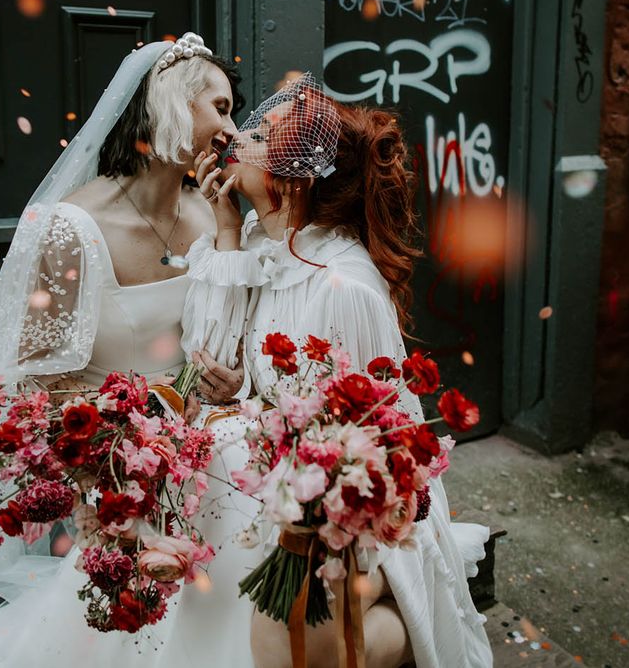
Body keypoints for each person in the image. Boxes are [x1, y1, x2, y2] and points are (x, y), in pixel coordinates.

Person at [0, 34, 260, 668]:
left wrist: (230, 375)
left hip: (205, 449)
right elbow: (34, 387)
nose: (231, 128)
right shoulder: (71, 228)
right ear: (170, 103)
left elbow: (227, 332)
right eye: (218, 107)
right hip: (109, 464)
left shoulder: (214, 216)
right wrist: (114, 470)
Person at [181, 74, 493, 667]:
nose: (237, 138)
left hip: (356, 513)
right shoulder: (259, 245)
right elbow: (216, 359)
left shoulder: (343, 286)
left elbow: (395, 444)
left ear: (293, 174)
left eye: (261, 135)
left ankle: (394, 625)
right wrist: (223, 231)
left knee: (291, 635)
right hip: (281, 479)